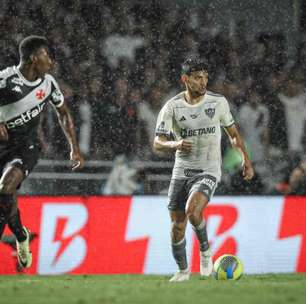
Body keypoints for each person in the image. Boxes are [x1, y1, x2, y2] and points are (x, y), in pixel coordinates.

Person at [153, 57, 254, 282]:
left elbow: (234, 135)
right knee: (177, 226)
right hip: (182, 170)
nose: (203, 82)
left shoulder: (218, 103)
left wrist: (246, 160)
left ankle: (205, 251)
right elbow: (157, 143)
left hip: (209, 168)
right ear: (185, 79)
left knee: (193, 211)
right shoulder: (172, 107)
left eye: (205, 77)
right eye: (197, 78)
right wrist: (175, 144)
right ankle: (183, 271)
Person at [0, 35, 84, 269]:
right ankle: (21, 234)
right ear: (34, 58)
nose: (52, 62)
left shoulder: (48, 84)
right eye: (48, 56)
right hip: (2, 147)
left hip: (26, 147)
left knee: (5, 187)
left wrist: (74, 149)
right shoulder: (6, 81)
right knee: (6, 197)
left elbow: (64, 113)